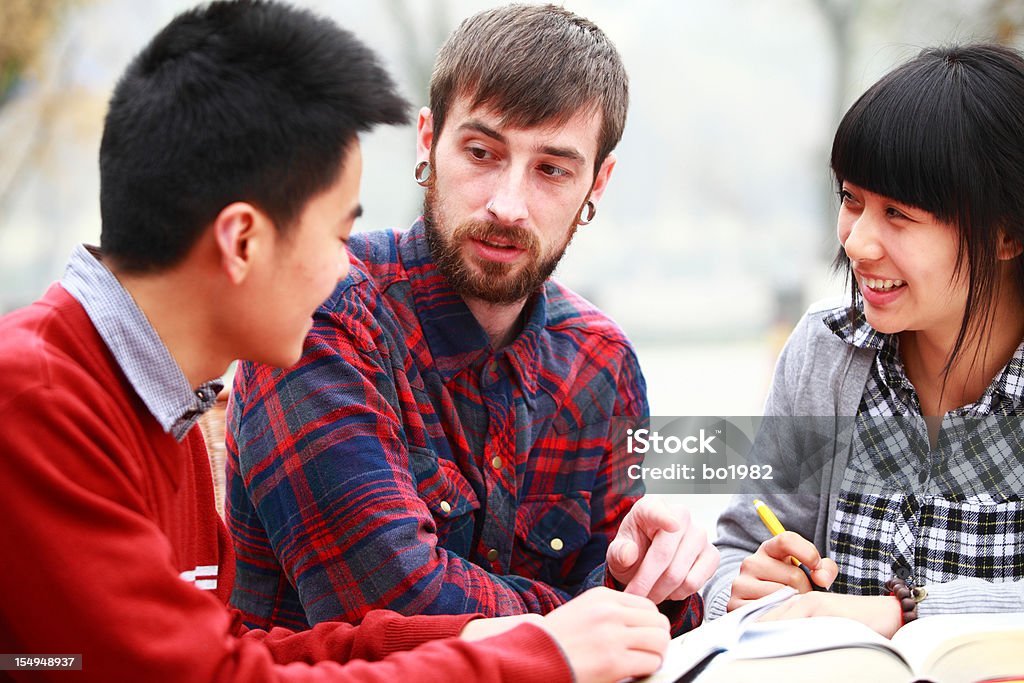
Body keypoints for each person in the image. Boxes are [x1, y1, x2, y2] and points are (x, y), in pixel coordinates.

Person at [0, 2, 675, 681]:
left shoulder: (157, 408)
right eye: (335, 232)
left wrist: (618, 609)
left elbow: (231, 653)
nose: (342, 265)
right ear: (241, 240)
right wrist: (544, 647)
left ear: (597, 181)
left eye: (553, 169)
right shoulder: (35, 400)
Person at [227, 2, 717, 636]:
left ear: (596, 183)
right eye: (483, 152)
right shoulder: (319, 313)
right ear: (429, 139)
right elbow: (393, 609)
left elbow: (646, 609)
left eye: (551, 169)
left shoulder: (602, 364)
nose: (508, 205)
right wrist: (600, 613)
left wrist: (651, 575)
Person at [702, 43, 1024, 637]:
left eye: (898, 213)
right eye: (852, 201)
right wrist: (747, 588)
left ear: (1006, 233)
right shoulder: (825, 352)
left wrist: (904, 615)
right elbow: (735, 553)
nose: (856, 243)